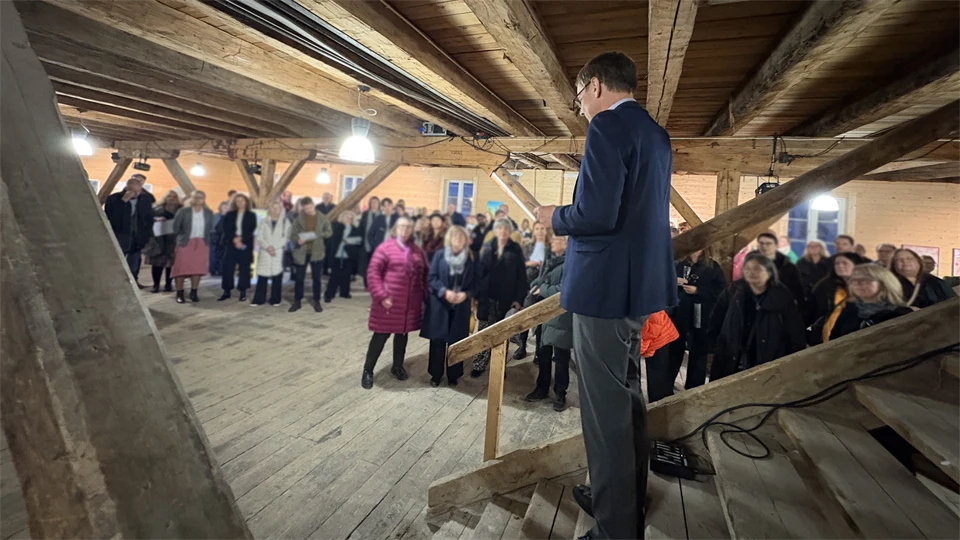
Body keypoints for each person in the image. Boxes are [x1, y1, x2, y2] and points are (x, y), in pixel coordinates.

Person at [534, 52, 676, 540]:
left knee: (604, 412)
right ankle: (622, 496)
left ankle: (616, 526)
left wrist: (554, 216)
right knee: (627, 399)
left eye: (578, 97)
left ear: (595, 86)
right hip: (639, 288)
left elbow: (596, 214)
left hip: (605, 290)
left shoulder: (608, 128)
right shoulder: (656, 134)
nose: (580, 108)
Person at [708, 253, 805, 381]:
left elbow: (795, 334)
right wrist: (719, 347)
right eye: (748, 269)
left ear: (769, 272)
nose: (752, 273)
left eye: (757, 269)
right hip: (731, 362)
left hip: (768, 365)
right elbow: (716, 321)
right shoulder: (733, 290)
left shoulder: (781, 296)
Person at [362, 217, 429, 389]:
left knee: (402, 337)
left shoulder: (417, 251)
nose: (405, 230)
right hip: (388, 304)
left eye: (408, 227)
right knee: (380, 336)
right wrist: (381, 296)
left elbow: (424, 275)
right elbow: (373, 274)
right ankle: (368, 370)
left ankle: (397, 366)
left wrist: (425, 296)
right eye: (402, 227)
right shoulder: (385, 249)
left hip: (408, 306)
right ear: (395, 229)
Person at [666, 246, 726, 396]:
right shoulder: (680, 264)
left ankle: (694, 389)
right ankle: (666, 385)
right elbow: (665, 283)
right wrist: (675, 281)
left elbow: (721, 291)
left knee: (698, 352)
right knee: (674, 350)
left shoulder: (712, 267)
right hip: (680, 313)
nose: (694, 252)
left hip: (701, 314)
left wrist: (698, 291)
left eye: (698, 249)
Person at [472, 218, 528, 378]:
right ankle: (479, 363)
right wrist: (476, 295)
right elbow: (479, 272)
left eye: (505, 229)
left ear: (509, 231)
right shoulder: (489, 246)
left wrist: (519, 299)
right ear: (496, 230)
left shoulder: (515, 249)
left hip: (506, 299)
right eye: (500, 228)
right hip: (487, 297)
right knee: (483, 331)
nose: (503, 231)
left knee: (502, 335)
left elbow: (521, 277)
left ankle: (499, 366)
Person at [524, 235, 572, 411]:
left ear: (566, 244)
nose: (553, 243)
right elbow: (543, 279)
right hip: (543, 316)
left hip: (561, 318)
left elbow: (565, 289)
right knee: (543, 354)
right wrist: (534, 284)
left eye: (558, 241)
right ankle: (541, 388)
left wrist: (542, 289)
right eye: (552, 240)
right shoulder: (549, 259)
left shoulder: (571, 262)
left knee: (561, 358)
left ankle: (560, 393)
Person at [421, 226, 474, 387]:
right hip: (441, 304)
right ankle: (436, 375)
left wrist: (466, 294)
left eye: (461, 237)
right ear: (449, 239)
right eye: (455, 236)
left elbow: (476, 283)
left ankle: (454, 374)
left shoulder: (470, 258)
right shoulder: (439, 255)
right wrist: (444, 291)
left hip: (461, 306)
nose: (458, 239)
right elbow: (432, 278)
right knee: (438, 341)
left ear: (465, 240)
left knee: (457, 341)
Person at [825, 264, 912, 341]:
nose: (858, 283)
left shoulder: (901, 313)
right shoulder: (850, 309)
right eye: (854, 280)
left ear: (884, 283)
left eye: (866, 279)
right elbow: (834, 339)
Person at [103, 174, 155, 287]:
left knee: (135, 261)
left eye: (138, 191)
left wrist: (148, 234)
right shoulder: (114, 199)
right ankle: (113, 281)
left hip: (137, 236)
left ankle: (133, 281)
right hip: (120, 235)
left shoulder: (144, 199)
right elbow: (111, 216)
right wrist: (123, 202)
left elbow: (148, 217)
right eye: (132, 191)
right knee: (117, 259)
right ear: (127, 188)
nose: (135, 194)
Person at [288, 196, 333, 312]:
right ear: (303, 208)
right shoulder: (299, 219)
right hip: (301, 252)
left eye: (310, 207)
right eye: (306, 208)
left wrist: (319, 234)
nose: (308, 210)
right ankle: (297, 301)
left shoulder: (323, 218)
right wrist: (297, 240)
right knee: (299, 278)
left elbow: (329, 232)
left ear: (313, 205)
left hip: (317, 252)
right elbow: (292, 234)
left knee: (316, 278)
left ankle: (316, 301)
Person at [515, 222, 553, 359]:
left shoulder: (551, 248)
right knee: (526, 316)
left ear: (546, 230)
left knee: (541, 320)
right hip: (528, 285)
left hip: (545, 286)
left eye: (542, 228)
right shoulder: (527, 247)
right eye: (537, 229)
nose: (540, 231)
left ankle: (539, 351)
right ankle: (522, 346)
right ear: (533, 231)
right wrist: (529, 263)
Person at [170, 190, 214, 303]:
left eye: (201, 197)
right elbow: (175, 227)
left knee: (197, 270)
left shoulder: (208, 212)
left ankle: (194, 292)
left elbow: (211, 228)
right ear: (191, 198)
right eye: (195, 197)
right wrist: (181, 237)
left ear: (204, 199)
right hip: (185, 242)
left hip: (202, 243)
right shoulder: (183, 211)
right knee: (180, 269)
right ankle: (179, 293)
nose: (198, 199)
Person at [805, 252, 867, 329]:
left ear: (857, 265)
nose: (840, 266)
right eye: (837, 264)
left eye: (844, 263)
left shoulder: (869, 285)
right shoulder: (823, 287)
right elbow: (813, 313)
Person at [218, 194, 257, 302]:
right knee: (228, 268)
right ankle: (226, 291)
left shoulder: (251, 215)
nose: (240, 203)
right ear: (234, 203)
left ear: (246, 202)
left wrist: (241, 239)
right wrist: (234, 239)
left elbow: (251, 229)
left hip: (245, 245)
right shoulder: (230, 214)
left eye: (242, 200)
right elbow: (226, 228)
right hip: (231, 244)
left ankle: (243, 292)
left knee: (244, 269)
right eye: (237, 201)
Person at [251, 201, 289, 306]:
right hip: (265, 251)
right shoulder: (263, 222)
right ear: (270, 210)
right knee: (263, 275)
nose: (275, 210)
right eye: (273, 208)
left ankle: (275, 299)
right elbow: (259, 236)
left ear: (281, 210)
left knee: (277, 276)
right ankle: (259, 299)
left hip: (278, 252)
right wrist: (268, 247)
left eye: (278, 208)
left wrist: (274, 247)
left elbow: (286, 237)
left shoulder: (285, 222)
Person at [891, 248, 955, 309]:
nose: (928, 265)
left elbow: (952, 300)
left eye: (931, 263)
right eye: (925, 263)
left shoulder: (938, 282)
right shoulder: (893, 282)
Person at [145, 190, 182, 293]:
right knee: (157, 264)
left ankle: (168, 284)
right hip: (159, 239)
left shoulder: (181, 210)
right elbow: (147, 220)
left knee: (171, 264)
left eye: (174, 196)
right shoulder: (157, 209)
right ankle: (156, 285)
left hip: (174, 240)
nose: (171, 198)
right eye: (169, 196)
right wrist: (156, 219)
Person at [641, 311, 680, 402]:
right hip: (658, 336)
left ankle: (660, 403)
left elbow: (653, 329)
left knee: (658, 376)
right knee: (661, 373)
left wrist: (641, 348)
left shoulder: (648, 308)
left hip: (661, 338)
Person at [756, 232, 804, 305]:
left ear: (775, 245)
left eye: (768, 243)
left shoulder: (788, 265)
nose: (764, 246)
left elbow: (797, 290)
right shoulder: (752, 261)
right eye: (761, 243)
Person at [325, 210, 362, 302]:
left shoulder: (355, 228)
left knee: (346, 275)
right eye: (346, 217)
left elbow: (359, 240)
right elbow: (332, 240)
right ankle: (329, 294)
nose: (348, 219)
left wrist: (349, 240)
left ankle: (344, 292)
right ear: (342, 217)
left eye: (350, 218)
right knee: (334, 276)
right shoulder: (336, 226)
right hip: (337, 254)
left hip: (348, 254)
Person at [358, 196, 382, 288]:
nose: (374, 204)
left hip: (379, 244)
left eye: (376, 202)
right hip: (366, 244)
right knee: (366, 266)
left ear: (379, 204)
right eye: (372, 202)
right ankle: (367, 285)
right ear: (370, 204)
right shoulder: (365, 214)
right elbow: (361, 228)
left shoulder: (382, 215)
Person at [209, 201, 229, 276]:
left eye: (228, 207)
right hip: (215, 237)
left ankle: (221, 270)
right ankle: (213, 269)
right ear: (220, 208)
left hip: (225, 238)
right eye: (224, 207)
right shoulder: (215, 216)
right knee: (213, 254)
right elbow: (211, 227)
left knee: (223, 255)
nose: (226, 209)